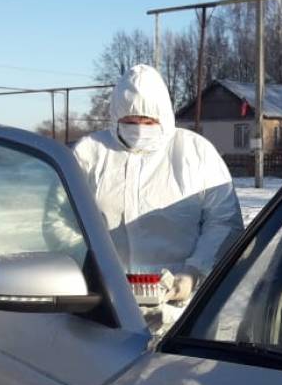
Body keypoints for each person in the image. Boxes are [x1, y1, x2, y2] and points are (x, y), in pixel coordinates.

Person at [67, 64, 242, 315]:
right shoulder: (89, 153)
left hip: (181, 309)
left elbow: (224, 222)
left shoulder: (196, 153)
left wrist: (194, 273)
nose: (139, 127)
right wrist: (90, 266)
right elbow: (59, 219)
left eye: (148, 120)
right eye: (130, 120)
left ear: (163, 115)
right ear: (116, 116)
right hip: (104, 304)